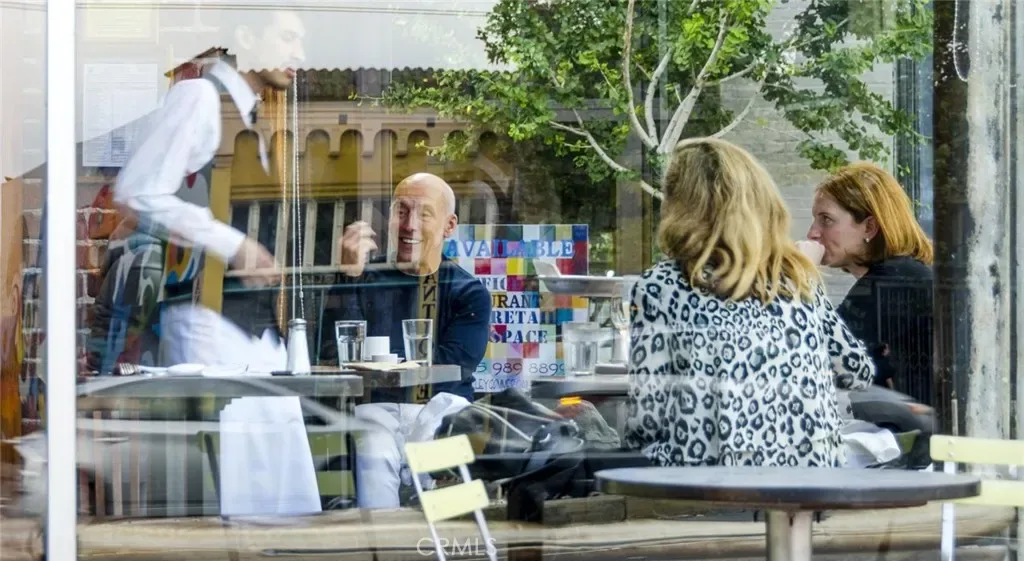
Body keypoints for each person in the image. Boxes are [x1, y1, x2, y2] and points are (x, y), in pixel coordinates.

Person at [624, 137, 875, 468]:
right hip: (809, 477)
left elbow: (646, 419)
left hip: (706, 479)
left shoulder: (660, 287)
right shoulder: (796, 277)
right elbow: (857, 372)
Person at [109, 10, 306, 369]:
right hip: (204, 323)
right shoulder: (200, 97)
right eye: (287, 38)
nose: (300, 54)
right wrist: (233, 245)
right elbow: (138, 191)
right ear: (246, 37)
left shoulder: (251, 118)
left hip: (256, 332)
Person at [319, 172, 491, 508]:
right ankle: (386, 536)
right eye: (401, 211)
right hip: (374, 408)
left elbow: (454, 364)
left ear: (449, 226)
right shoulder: (364, 278)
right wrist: (347, 278)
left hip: (441, 407)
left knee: (440, 478)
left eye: (424, 214)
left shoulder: (468, 291)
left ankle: (441, 532)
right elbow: (332, 350)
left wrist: (379, 360)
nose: (409, 225)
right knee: (373, 455)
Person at [804, 162, 934, 401]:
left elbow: (816, 357)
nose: (812, 232)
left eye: (826, 220)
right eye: (815, 220)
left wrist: (801, 277)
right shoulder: (904, 273)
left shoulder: (895, 280)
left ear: (869, 227)